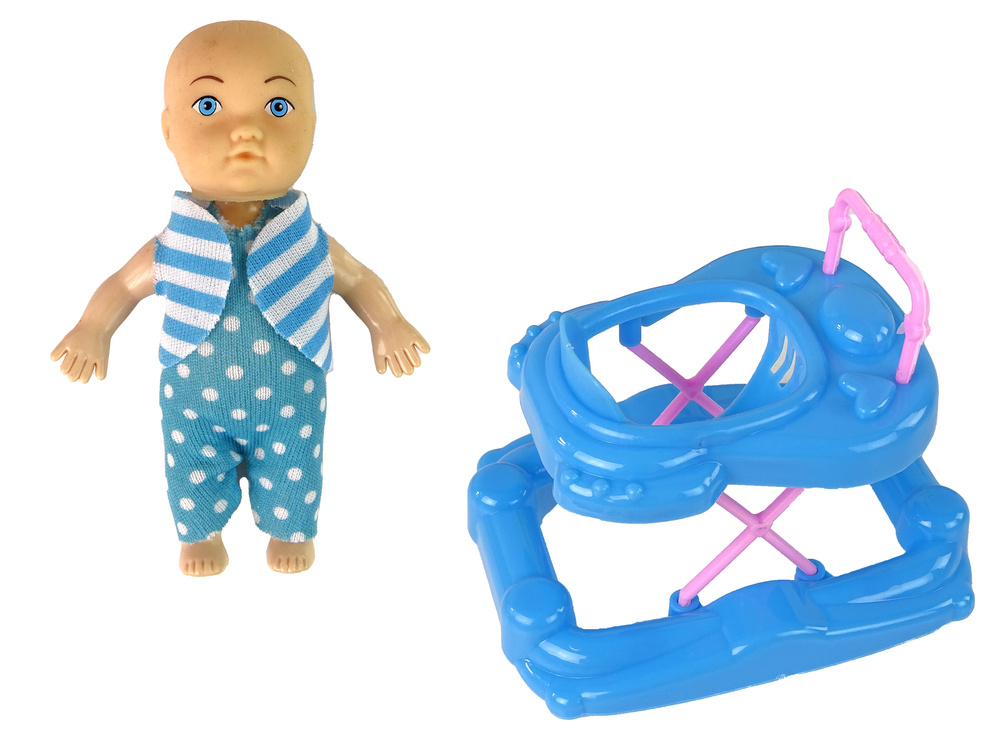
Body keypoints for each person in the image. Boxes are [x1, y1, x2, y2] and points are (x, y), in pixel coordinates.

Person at [50, 21, 429, 577]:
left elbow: (355, 278)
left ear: (312, 125)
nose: (246, 130)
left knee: (296, 463)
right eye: (208, 106)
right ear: (169, 130)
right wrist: (93, 328)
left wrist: (387, 322)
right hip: (193, 399)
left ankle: (290, 528)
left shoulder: (306, 238)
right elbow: (125, 285)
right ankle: (200, 533)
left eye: (278, 107)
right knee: (189, 466)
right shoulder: (176, 241)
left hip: (293, 397)